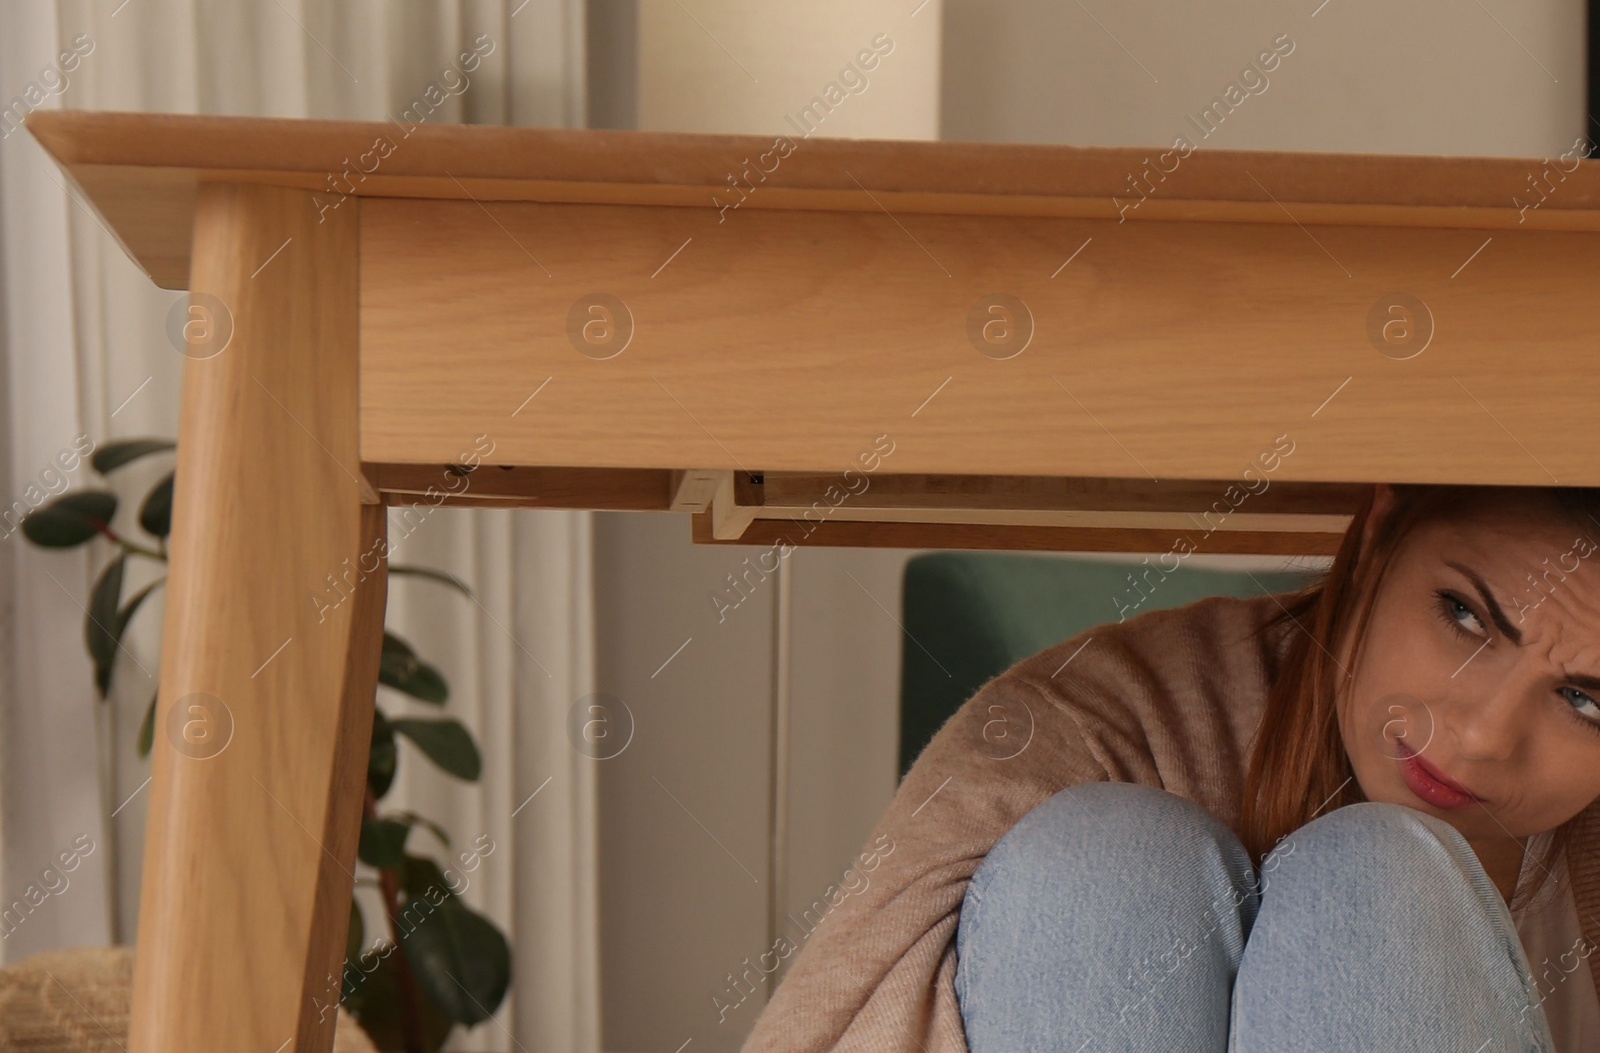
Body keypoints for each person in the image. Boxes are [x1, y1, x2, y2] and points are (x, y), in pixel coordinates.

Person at [741, 483, 1600, 1053]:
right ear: (1378, 531)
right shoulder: (1093, 723)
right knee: (1106, 860)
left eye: (1587, 700)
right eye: (1463, 616)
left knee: (1381, 881)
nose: (1487, 734)